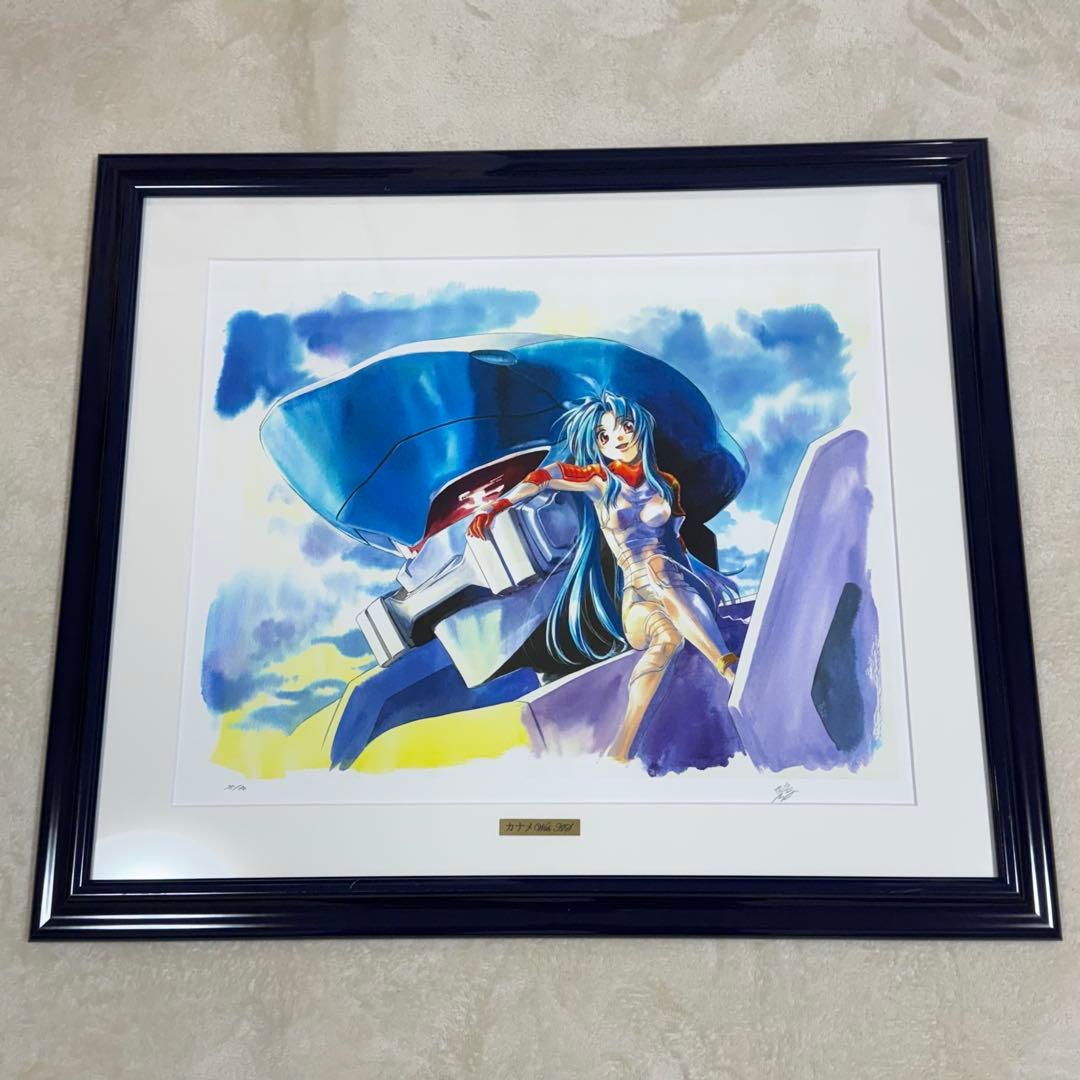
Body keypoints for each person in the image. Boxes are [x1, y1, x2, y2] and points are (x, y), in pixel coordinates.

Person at [468, 390, 738, 763]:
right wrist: (498, 505)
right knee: (659, 598)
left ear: (640, 428)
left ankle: (623, 748)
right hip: (637, 603)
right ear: (599, 445)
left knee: (668, 631)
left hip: (678, 589)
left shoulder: (667, 485)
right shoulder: (601, 482)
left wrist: (703, 582)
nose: (618, 438)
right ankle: (727, 670)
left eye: (625, 426)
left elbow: (677, 545)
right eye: (604, 435)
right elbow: (547, 476)